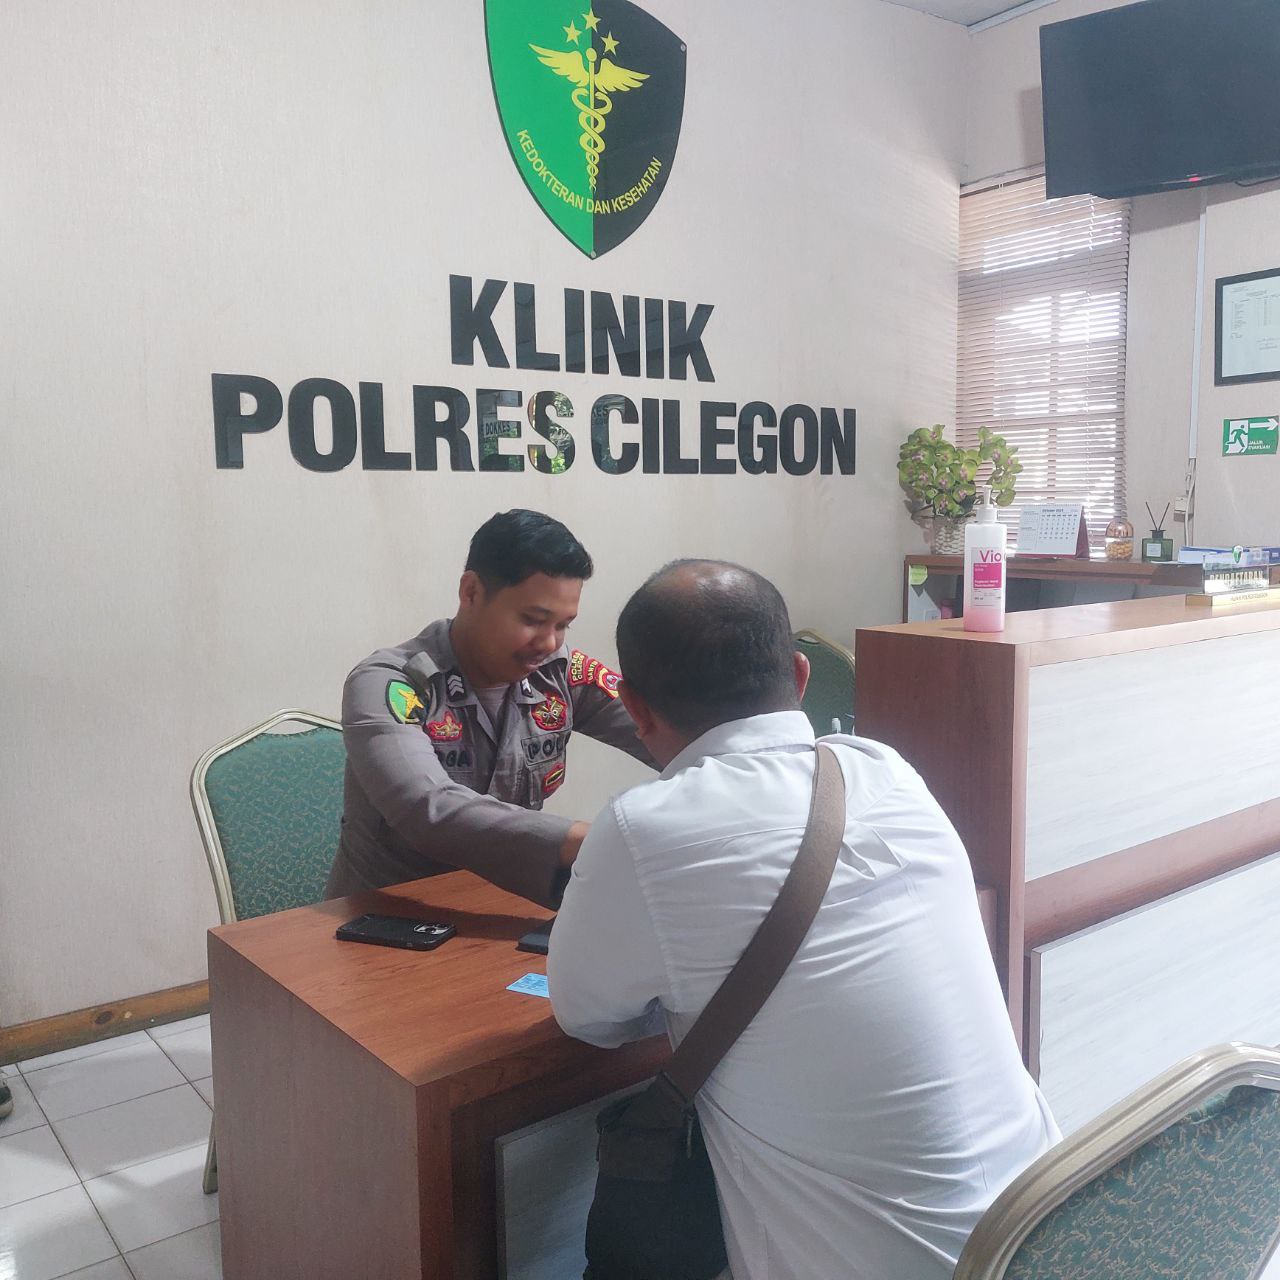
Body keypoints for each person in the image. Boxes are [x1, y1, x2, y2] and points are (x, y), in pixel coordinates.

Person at [549, 560, 1060, 1280]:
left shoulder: (642, 830)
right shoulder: (887, 770)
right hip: (1049, 1234)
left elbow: (587, 1017)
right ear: (799, 674)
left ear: (632, 705)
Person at [325, 510, 651, 908]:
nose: (550, 643)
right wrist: (598, 840)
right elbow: (428, 808)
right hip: (386, 918)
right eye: (533, 620)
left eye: (563, 625)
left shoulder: (560, 673)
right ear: (471, 593)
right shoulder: (392, 683)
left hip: (505, 906)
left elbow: (667, 731)